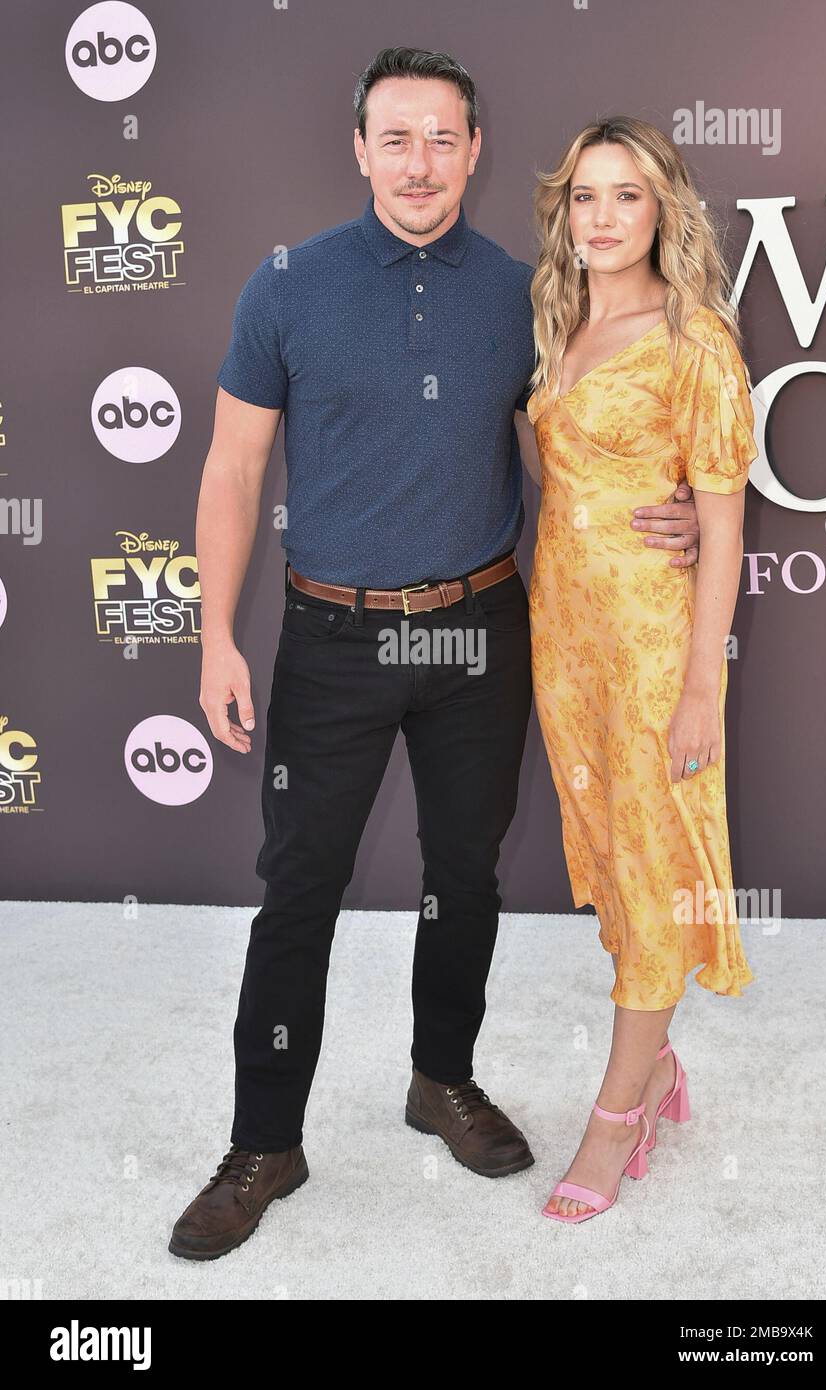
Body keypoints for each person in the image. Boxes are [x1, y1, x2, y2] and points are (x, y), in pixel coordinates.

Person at [169, 52, 701, 1261]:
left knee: (465, 873)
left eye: (441, 139)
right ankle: (264, 1143)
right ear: (359, 149)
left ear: (474, 151)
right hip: (331, 635)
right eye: (394, 138)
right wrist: (211, 637)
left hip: (480, 630)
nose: (418, 162)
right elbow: (232, 469)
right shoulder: (287, 285)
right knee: (297, 890)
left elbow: (577, 445)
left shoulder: (528, 296)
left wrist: (673, 509)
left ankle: (439, 1078)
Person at [518, 117, 758, 1225]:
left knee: (657, 862)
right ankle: (660, 1073)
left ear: (664, 211)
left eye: (626, 196)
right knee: (614, 858)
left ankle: (615, 1112)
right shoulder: (557, 320)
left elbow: (723, 522)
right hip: (564, 641)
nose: (603, 218)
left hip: (656, 648)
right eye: (585, 198)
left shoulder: (694, 338)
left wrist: (702, 684)